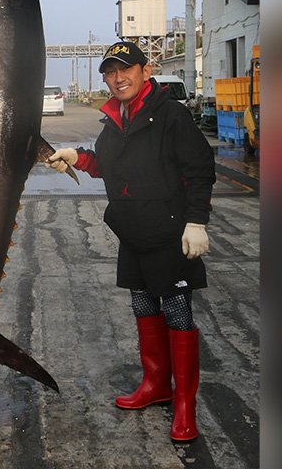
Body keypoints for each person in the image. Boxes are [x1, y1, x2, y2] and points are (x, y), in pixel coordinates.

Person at [46, 41, 215, 441]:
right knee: (142, 306)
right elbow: (107, 165)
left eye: (125, 70)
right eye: (110, 72)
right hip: (133, 234)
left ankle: (184, 405)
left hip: (170, 234)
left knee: (177, 314)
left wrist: (197, 222)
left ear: (144, 70)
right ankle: (155, 385)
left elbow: (200, 167)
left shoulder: (169, 114)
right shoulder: (114, 119)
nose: (117, 78)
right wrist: (76, 156)